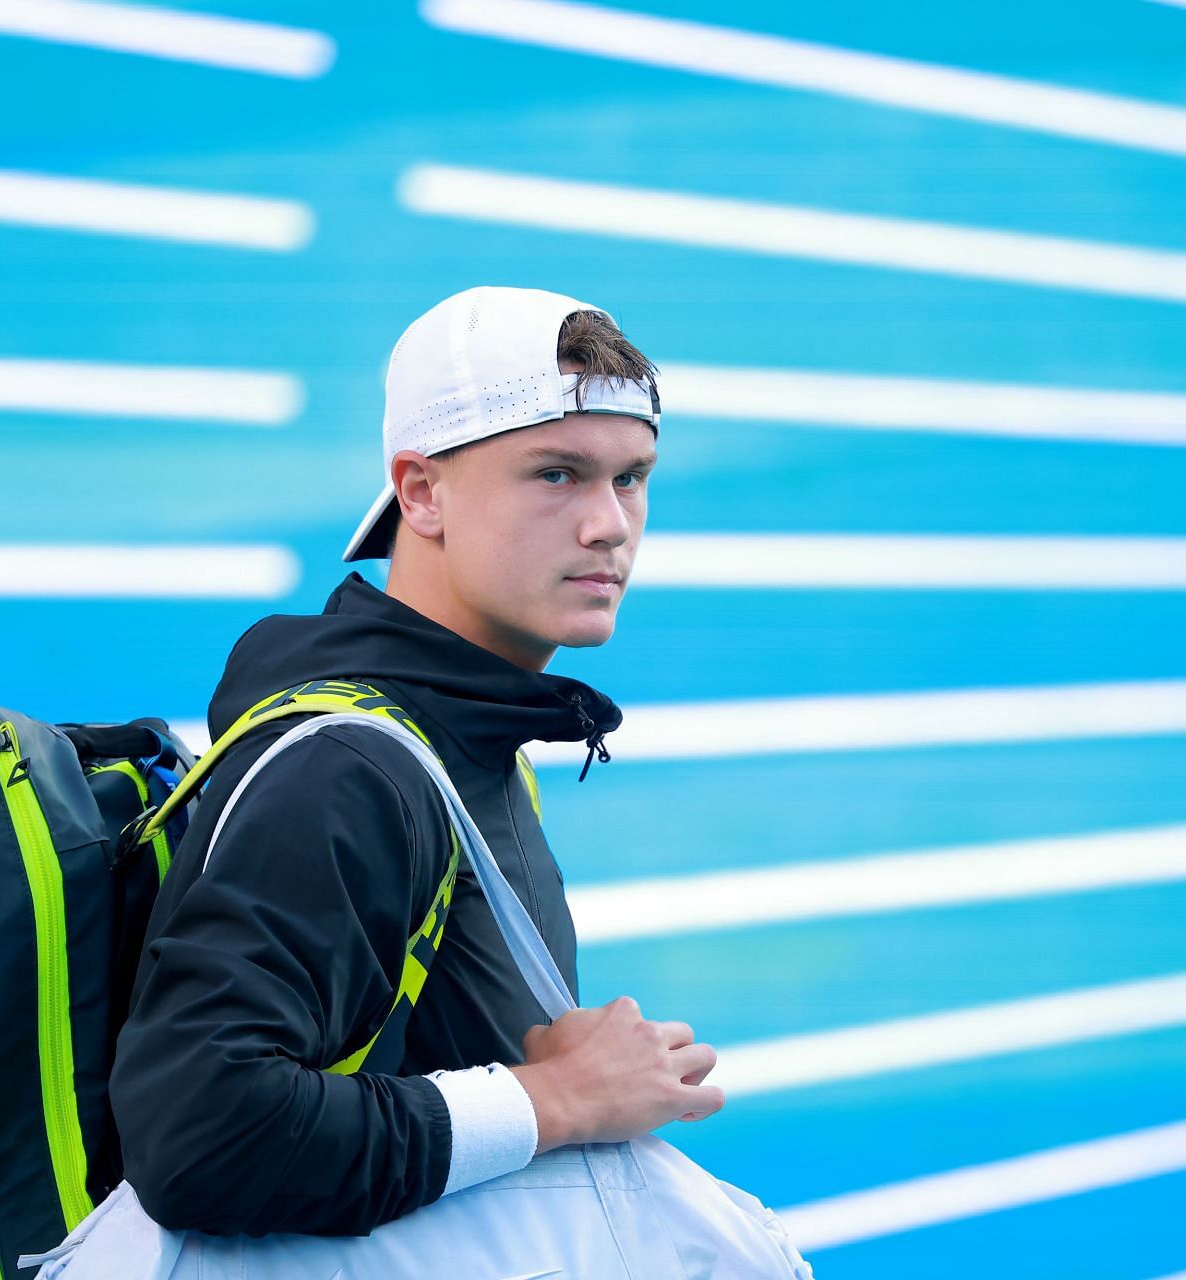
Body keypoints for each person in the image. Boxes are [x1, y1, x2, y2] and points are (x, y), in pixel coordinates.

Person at [107, 285, 724, 1237]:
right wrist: (553, 1098)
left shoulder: (466, 738)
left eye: (631, 477)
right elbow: (198, 1134)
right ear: (422, 492)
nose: (611, 524)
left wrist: (533, 1079)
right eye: (557, 474)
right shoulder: (351, 766)